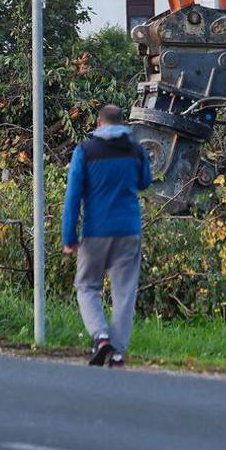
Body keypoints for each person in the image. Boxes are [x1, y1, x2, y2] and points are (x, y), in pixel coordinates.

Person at [62, 103, 153, 368]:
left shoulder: (85, 151)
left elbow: (73, 196)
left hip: (95, 233)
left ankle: (101, 337)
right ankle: (117, 354)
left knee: (87, 286)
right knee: (124, 293)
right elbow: (145, 182)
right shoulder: (136, 149)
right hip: (128, 231)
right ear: (122, 123)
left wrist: (69, 237)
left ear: (99, 123)